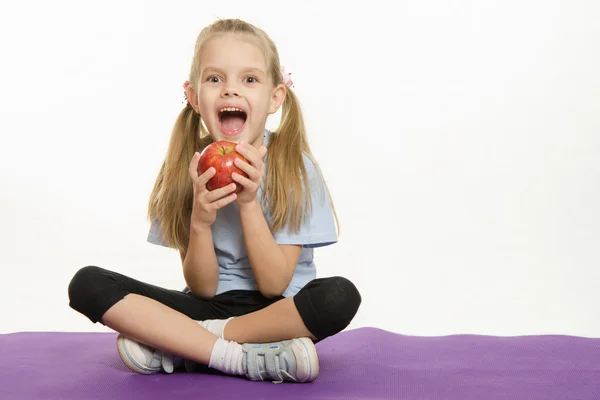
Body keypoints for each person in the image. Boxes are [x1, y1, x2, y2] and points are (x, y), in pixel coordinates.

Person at [68, 18, 361, 383]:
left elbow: (273, 284)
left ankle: (187, 343)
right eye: (215, 79)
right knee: (88, 284)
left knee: (338, 296)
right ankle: (237, 357)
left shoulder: (293, 166)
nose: (230, 91)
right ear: (193, 96)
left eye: (249, 79)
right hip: (207, 305)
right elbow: (203, 288)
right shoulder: (187, 168)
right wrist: (201, 221)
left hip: (279, 310)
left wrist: (249, 202)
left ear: (275, 98)